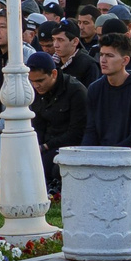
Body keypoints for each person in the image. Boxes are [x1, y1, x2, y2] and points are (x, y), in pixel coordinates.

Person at [25, 52, 87, 190]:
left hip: (68, 147)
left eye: (40, 81)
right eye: (32, 81)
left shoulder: (76, 91)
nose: (36, 85)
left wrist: (45, 146)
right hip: (47, 145)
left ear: (53, 73)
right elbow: (38, 125)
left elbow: (76, 133)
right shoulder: (37, 93)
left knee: (45, 167)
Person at [81, 36, 131, 148]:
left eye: (109, 55)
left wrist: (106, 155)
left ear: (125, 60)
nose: (103, 60)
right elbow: (90, 131)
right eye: (102, 54)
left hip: (126, 157)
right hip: (98, 155)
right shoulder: (94, 89)